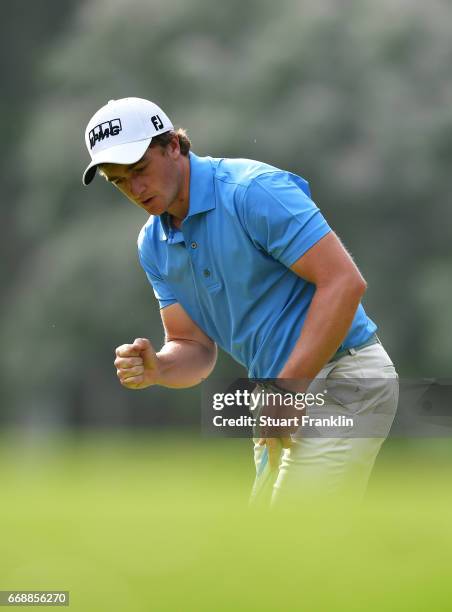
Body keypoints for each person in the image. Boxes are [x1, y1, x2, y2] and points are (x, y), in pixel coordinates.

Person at [82, 97, 398, 506]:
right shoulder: (153, 243)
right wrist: (159, 366)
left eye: (140, 170)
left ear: (174, 146)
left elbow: (343, 283)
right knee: (275, 554)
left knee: (290, 543)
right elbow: (194, 347)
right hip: (279, 393)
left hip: (345, 378)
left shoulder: (251, 191)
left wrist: (288, 391)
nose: (135, 189)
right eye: (119, 181)